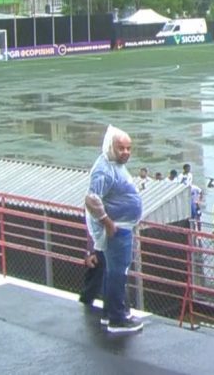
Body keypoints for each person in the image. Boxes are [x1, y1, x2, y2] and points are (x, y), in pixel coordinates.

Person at [84, 125, 145, 333]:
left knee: (113, 272)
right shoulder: (104, 169)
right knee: (119, 272)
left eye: (129, 148)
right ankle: (117, 319)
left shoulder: (113, 164)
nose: (126, 152)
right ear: (111, 147)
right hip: (117, 230)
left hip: (121, 227)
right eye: (122, 148)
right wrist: (108, 222)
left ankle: (111, 312)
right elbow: (92, 200)